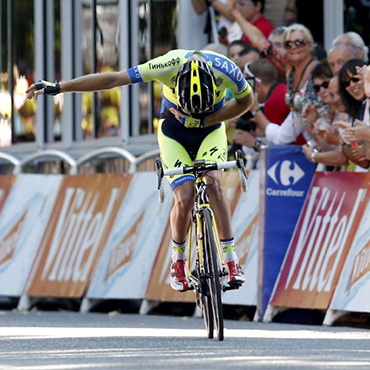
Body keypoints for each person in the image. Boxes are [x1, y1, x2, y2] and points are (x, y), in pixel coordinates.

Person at [26, 49, 254, 292]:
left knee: (214, 184)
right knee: (185, 196)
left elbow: (247, 102)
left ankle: (231, 260)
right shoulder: (167, 65)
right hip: (174, 132)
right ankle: (178, 261)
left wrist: (203, 121)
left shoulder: (226, 69)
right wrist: (59, 87)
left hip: (210, 128)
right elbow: (113, 79)